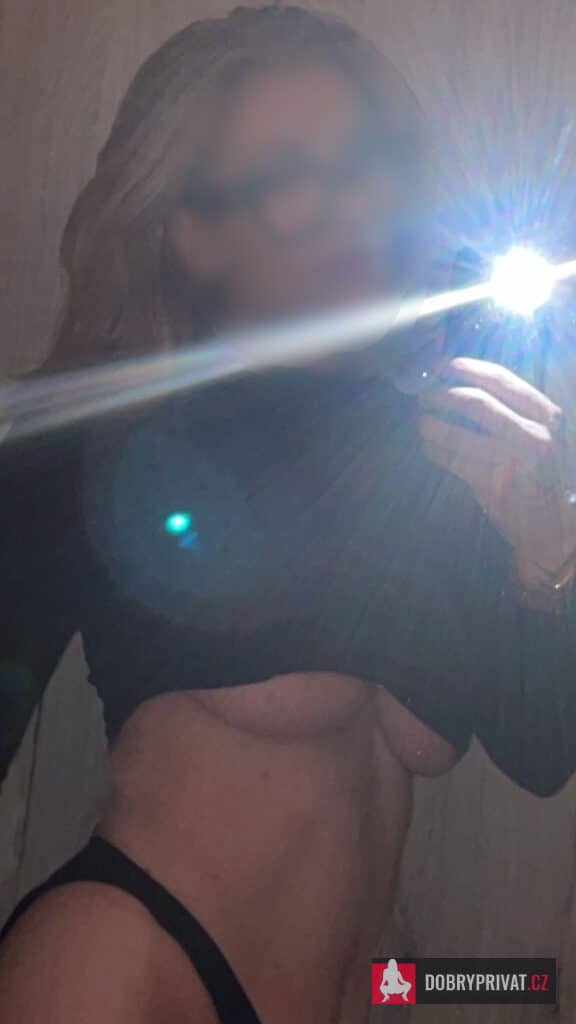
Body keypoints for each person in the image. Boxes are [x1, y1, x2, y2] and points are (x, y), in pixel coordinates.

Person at [0, 5, 575, 1023]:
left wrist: (547, 548)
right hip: (131, 972)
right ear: (190, 225)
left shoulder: (435, 445)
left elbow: (539, 754)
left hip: (373, 992)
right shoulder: (99, 435)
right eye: (286, 177)